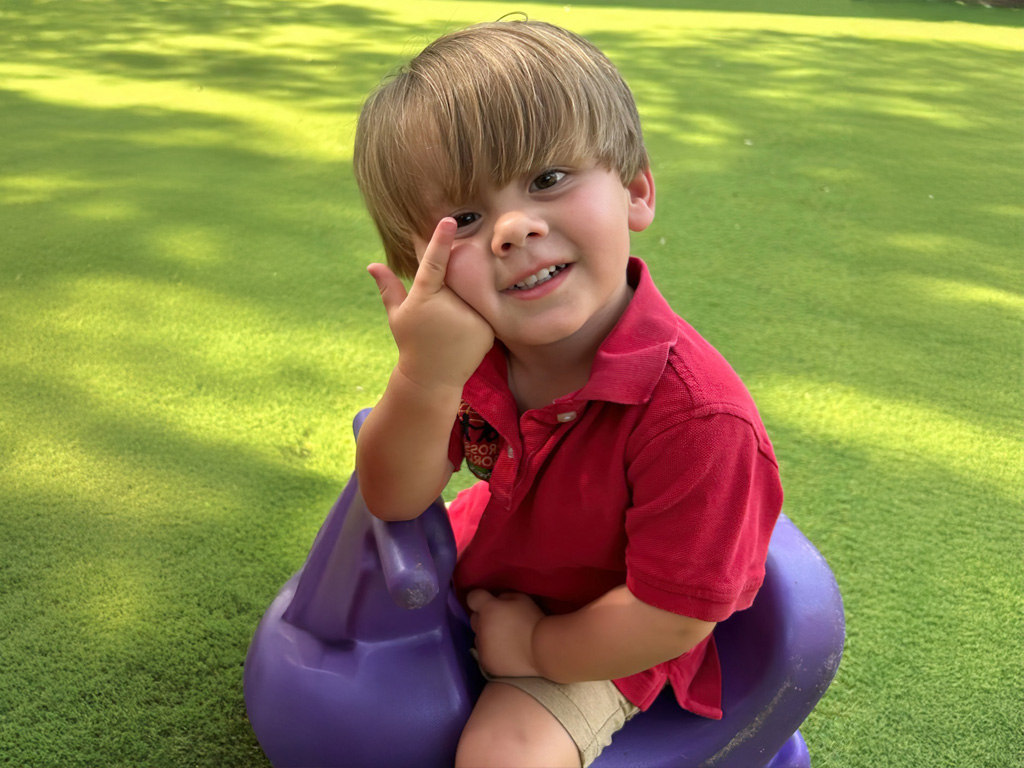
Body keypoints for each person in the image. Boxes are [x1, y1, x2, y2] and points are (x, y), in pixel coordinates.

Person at [352, 19, 783, 768]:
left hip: (605, 628)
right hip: (491, 565)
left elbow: (672, 615)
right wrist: (424, 377)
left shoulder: (697, 419)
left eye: (548, 179)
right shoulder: (474, 349)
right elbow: (391, 498)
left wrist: (539, 646)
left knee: (500, 757)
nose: (514, 229)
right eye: (468, 218)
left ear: (636, 190)